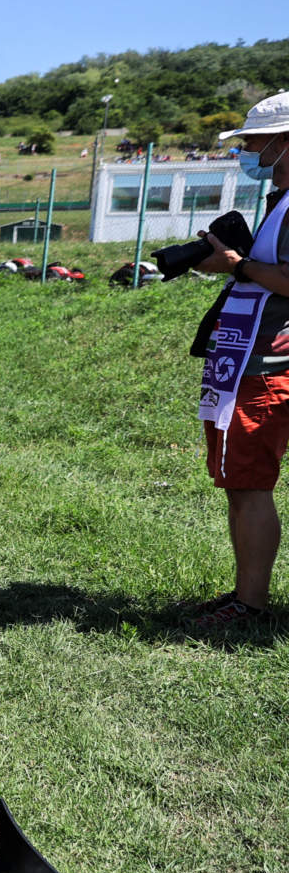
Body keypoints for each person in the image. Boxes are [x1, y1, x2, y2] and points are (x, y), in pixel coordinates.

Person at [188, 91, 289, 632]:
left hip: (269, 370)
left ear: (284, 142)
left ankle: (248, 605)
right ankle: (246, 595)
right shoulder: (281, 200)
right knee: (244, 484)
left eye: (254, 141)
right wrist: (233, 266)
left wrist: (238, 264)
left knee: (249, 486)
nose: (247, 151)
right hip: (256, 362)